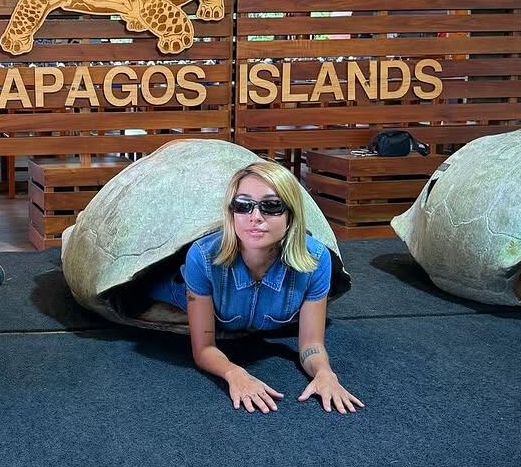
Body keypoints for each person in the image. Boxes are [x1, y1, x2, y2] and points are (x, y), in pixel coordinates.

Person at [150, 160, 363, 415]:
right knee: (140, 292)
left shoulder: (316, 261)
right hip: (181, 288)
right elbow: (204, 348)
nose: (255, 217)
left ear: (290, 214)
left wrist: (325, 373)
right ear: (232, 213)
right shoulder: (203, 257)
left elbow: (310, 344)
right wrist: (234, 372)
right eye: (243, 205)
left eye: (271, 206)